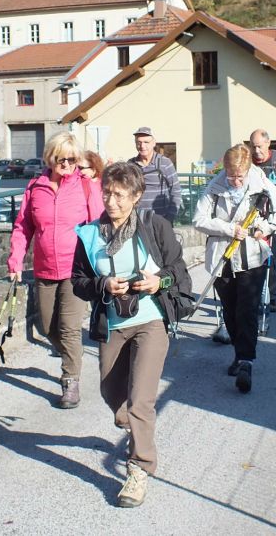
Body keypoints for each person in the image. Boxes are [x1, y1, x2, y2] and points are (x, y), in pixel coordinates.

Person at [71, 162, 192, 508]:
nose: (111, 201)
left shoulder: (155, 227)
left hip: (151, 320)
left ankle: (139, 469)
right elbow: (78, 281)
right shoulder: (90, 234)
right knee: (112, 394)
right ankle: (135, 429)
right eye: (107, 193)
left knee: (141, 400)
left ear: (137, 197)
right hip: (112, 324)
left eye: (120, 195)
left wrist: (158, 282)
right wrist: (102, 284)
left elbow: (178, 273)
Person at [8, 132, 104, 409]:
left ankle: (70, 380)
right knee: (48, 326)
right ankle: (72, 358)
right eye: (61, 159)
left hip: (77, 270)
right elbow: (23, 227)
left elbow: (99, 228)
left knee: (69, 328)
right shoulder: (35, 187)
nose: (67, 165)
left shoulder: (86, 187)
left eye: (72, 160)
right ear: (50, 158)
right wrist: (15, 259)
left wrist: (99, 266)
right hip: (45, 268)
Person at [194, 144, 276, 393]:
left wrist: (268, 227)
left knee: (247, 309)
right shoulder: (215, 187)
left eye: (240, 176)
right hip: (222, 259)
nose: (235, 181)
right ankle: (239, 353)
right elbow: (199, 219)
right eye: (231, 175)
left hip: (252, 258)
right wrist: (228, 229)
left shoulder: (260, 183)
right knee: (230, 310)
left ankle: (246, 360)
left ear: (248, 170)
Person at [248, 129, 276, 312]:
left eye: (259, 146)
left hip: (274, 218)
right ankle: (254, 294)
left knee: (273, 258)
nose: (256, 150)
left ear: (268, 144)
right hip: (252, 218)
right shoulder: (248, 162)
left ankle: (272, 296)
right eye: (253, 146)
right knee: (252, 259)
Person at [128, 127, 182, 222]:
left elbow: (176, 190)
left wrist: (170, 217)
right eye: (139, 142)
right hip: (137, 220)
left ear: (154, 143)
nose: (142, 146)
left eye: (146, 142)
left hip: (161, 219)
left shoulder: (165, 163)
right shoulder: (130, 165)